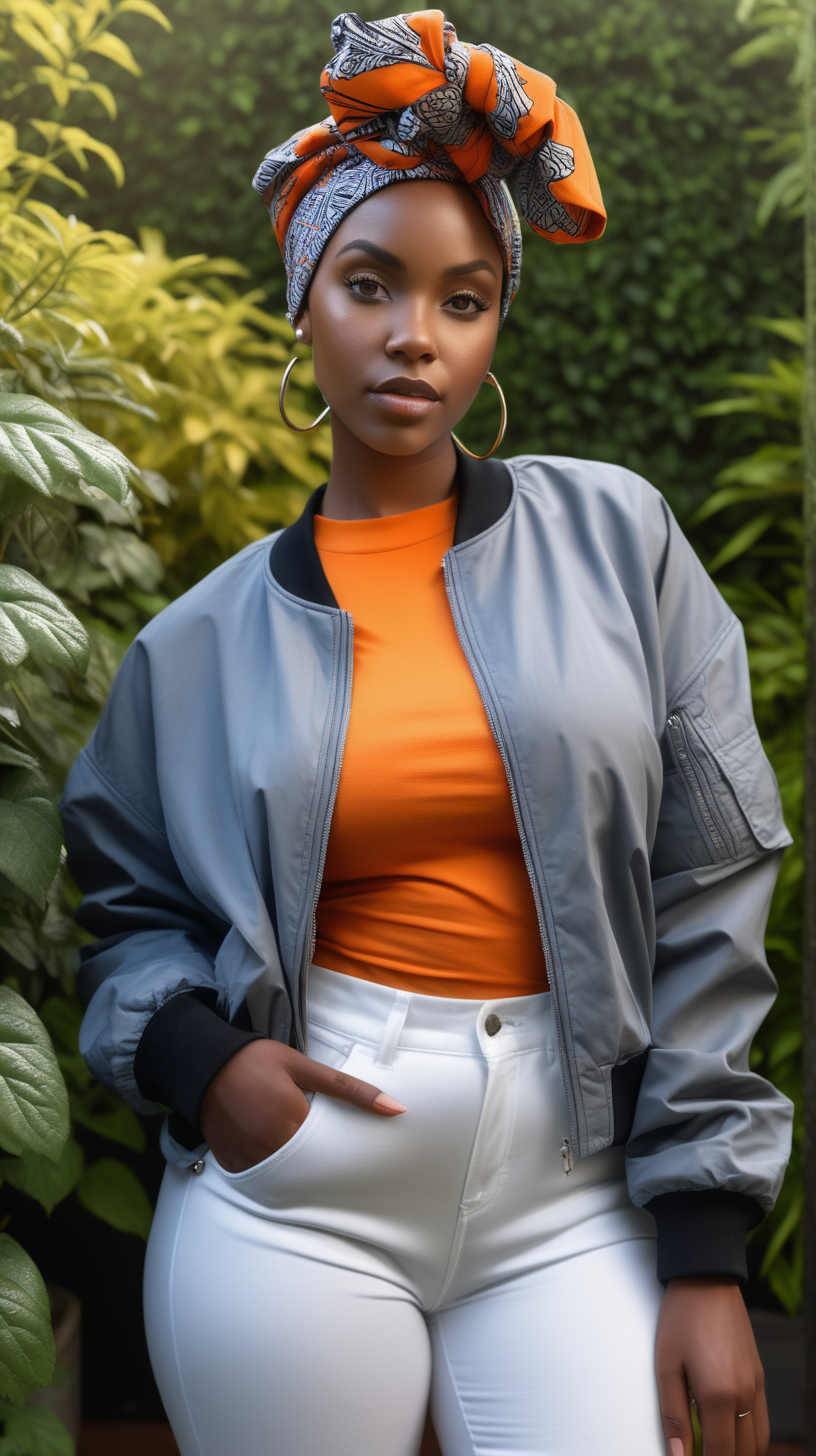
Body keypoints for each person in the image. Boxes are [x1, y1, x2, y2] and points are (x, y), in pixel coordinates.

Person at [60, 12, 794, 1456]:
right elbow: (126, 909)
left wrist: (706, 1244)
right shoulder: (197, 644)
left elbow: (714, 879)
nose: (415, 335)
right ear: (304, 303)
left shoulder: (621, 540)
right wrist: (204, 1063)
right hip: (301, 1180)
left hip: (571, 1185)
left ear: (496, 325)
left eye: (464, 299)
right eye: (371, 284)